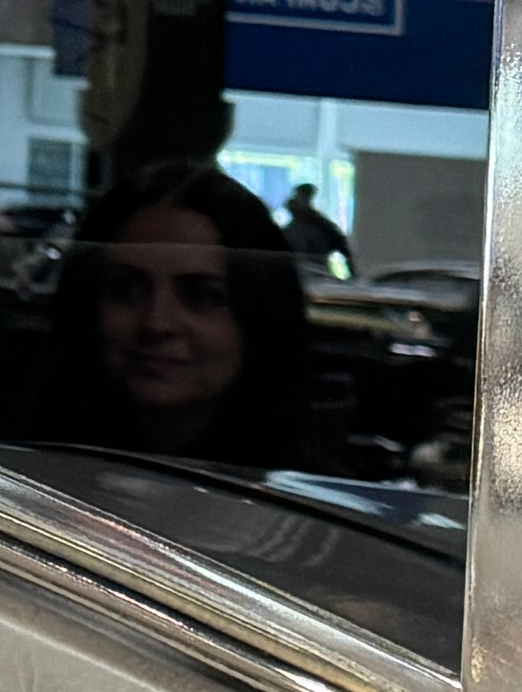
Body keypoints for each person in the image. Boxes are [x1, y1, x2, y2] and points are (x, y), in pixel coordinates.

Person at [20, 157, 314, 468]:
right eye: (125, 290)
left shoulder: (306, 501)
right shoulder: (29, 469)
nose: (156, 323)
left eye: (201, 297)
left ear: (260, 316)